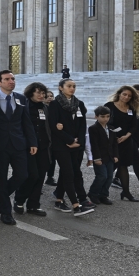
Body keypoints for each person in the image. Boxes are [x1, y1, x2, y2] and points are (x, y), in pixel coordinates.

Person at [0, 70, 37, 225]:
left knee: (22, 175)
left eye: (13, 79)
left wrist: (32, 142)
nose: (11, 81)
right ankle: (5, 212)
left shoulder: (21, 98)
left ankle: (0, 195)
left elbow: (26, 122)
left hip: (18, 143)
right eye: (7, 79)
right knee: (0, 178)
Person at [48, 78, 94, 216]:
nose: (72, 88)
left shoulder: (79, 104)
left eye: (74, 86)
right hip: (61, 144)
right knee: (68, 172)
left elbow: (82, 125)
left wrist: (78, 141)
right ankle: (76, 206)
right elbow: (53, 126)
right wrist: (69, 140)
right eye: (69, 86)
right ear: (61, 87)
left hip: (76, 145)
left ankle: (59, 200)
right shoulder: (55, 104)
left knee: (67, 172)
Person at [13, 83, 51, 216]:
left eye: (43, 93)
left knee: (40, 177)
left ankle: (34, 205)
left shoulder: (45, 108)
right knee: (31, 175)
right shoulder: (24, 107)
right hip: (28, 147)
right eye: (38, 93)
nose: (42, 95)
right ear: (30, 93)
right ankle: (19, 199)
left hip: (44, 147)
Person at [104, 86, 139, 202]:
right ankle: (99, 192)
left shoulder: (131, 108)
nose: (126, 97)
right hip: (112, 140)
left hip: (126, 141)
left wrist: (126, 136)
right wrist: (114, 135)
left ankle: (126, 192)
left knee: (123, 166)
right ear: (119, 94)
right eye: (124, 94)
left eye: (129, 96)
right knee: (109, 167)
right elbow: (104, 121)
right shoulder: (109, 106)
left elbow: (134, 125)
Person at [87, 106, 119, 205]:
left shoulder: (111, 128)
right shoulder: (93, 129)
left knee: (109, 177)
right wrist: (96, 158)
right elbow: (94, 145)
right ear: (96, 117)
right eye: (102, 116)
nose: (105, 119)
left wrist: (116, 155)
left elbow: (114, 143)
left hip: (110, 157)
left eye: (107, 116)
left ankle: (103, 195)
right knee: (102, 176)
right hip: (100, 157)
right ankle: (93, 193)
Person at [44, 90, 58, 186]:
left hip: (54, 137)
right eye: (47, 96)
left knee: (53, 158)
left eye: (51, 96)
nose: (50, 98)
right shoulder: (41, 108)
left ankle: (50, 177)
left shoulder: (55, 108)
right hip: (44, 136)